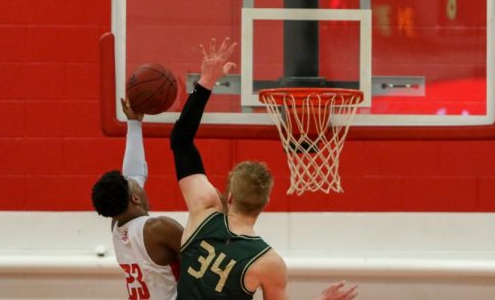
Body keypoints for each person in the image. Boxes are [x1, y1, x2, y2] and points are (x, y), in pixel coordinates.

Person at [170, 38, 358, 300]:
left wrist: (207, 81)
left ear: (230, 197)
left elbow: (181, 139)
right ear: (265, 202)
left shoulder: (204, 210)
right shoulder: (269, 262)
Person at [92, 98, 183, 300]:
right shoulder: (158, 228)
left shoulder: (117, 227)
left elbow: (133, 175)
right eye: (135, 186)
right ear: (135, 197)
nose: (139, 183)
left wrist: (134, 124)